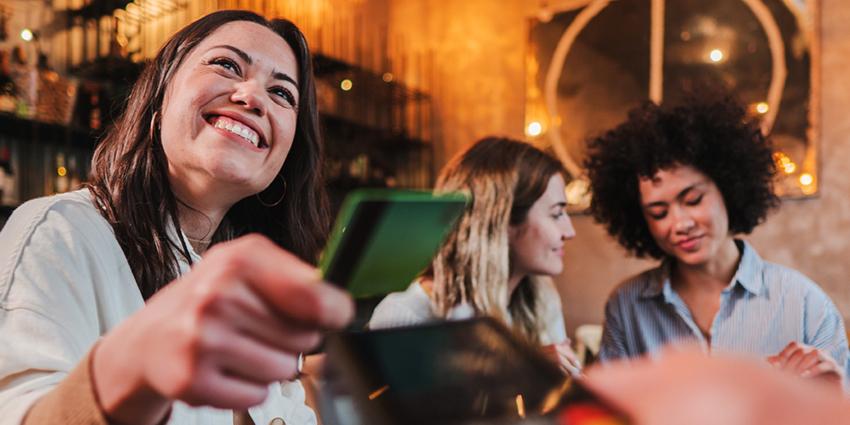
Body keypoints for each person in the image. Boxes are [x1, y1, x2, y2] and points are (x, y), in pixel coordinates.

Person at [0, 10, 353, 425]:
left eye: (282, 94)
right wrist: (135, 366)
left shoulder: (265, 286)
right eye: (227, 65)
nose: (253, 96)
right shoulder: (59, 232)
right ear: (159, 96)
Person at [584, 93, 849, 387]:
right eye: (659, 213)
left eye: (693, 199)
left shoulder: (803, 303)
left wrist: (833, 396)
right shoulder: (628, 305)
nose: (680, 223)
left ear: (728, 188)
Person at [369, 137, 581, 375]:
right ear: (501, 221)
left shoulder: (541, 298)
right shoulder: (405, 317)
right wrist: (525, 370)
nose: (569, 232)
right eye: (556, 214)